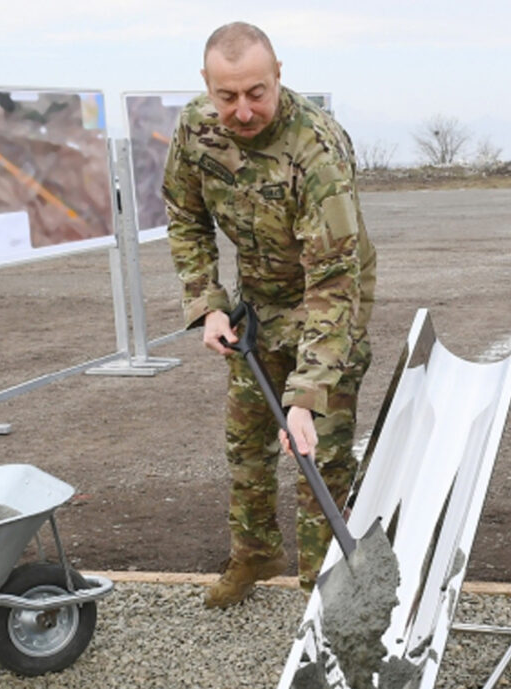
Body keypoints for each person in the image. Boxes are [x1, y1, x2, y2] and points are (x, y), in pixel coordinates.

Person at [162, 21, 376, 608]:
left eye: (256, 92)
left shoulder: (317, 149)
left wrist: (306, 393)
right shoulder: (196, 129)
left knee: (319, 459)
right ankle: (255, 554)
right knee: (246, 445)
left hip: (328, 308)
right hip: (256, 307)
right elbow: (183, 214)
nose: (243, 110)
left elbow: (334, 281)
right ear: (206, 84)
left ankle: (321, 601)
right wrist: (207, 303)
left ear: (278, 75)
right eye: (227, 96)